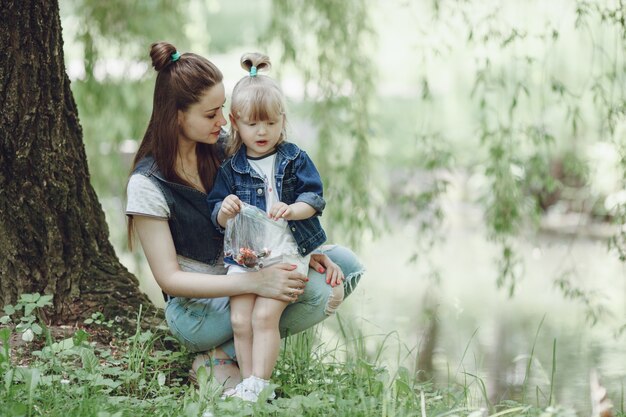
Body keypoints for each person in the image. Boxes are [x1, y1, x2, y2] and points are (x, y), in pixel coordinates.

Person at [125, 41, 365, 399]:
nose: (223, 121)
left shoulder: (225, 148)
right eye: (211, 114)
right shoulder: (147, 184)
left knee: (342, 264)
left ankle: (224, 357)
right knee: (320, 291)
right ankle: (218, 353)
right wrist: (258, 283)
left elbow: (272, 206)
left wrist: (300, 248)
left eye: (222, 109)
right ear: (177, 115)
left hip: (250, 268)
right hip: (199, 309)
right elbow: (171, 280)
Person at [206, 52, 340, 401]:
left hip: (286, 249)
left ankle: (257, 385)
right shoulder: (231, 168)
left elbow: (315, 197)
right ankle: (250, 384)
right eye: (252, 124)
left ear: (282, 120)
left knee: (265, 315)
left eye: (269, 123)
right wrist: (226, 209)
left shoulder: (294, 158)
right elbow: (216, 212)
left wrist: (293, 209)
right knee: (240, 318)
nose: (261, 131)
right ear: (235, 122)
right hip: (247, 255)